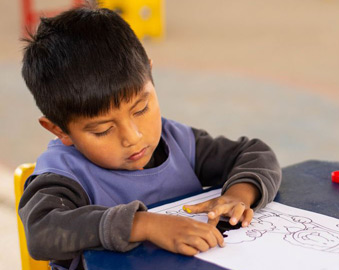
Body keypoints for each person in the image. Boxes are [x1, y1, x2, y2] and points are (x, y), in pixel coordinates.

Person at [19, 5, 281, 270]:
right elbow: (43, 231)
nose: (133, 137)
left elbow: (255, 154)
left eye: (141, 109)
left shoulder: (179, 143)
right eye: (102, 130)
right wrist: (143, 225)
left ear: (151, 76)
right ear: (60, 130)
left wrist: (238, 195)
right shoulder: (63, 175)